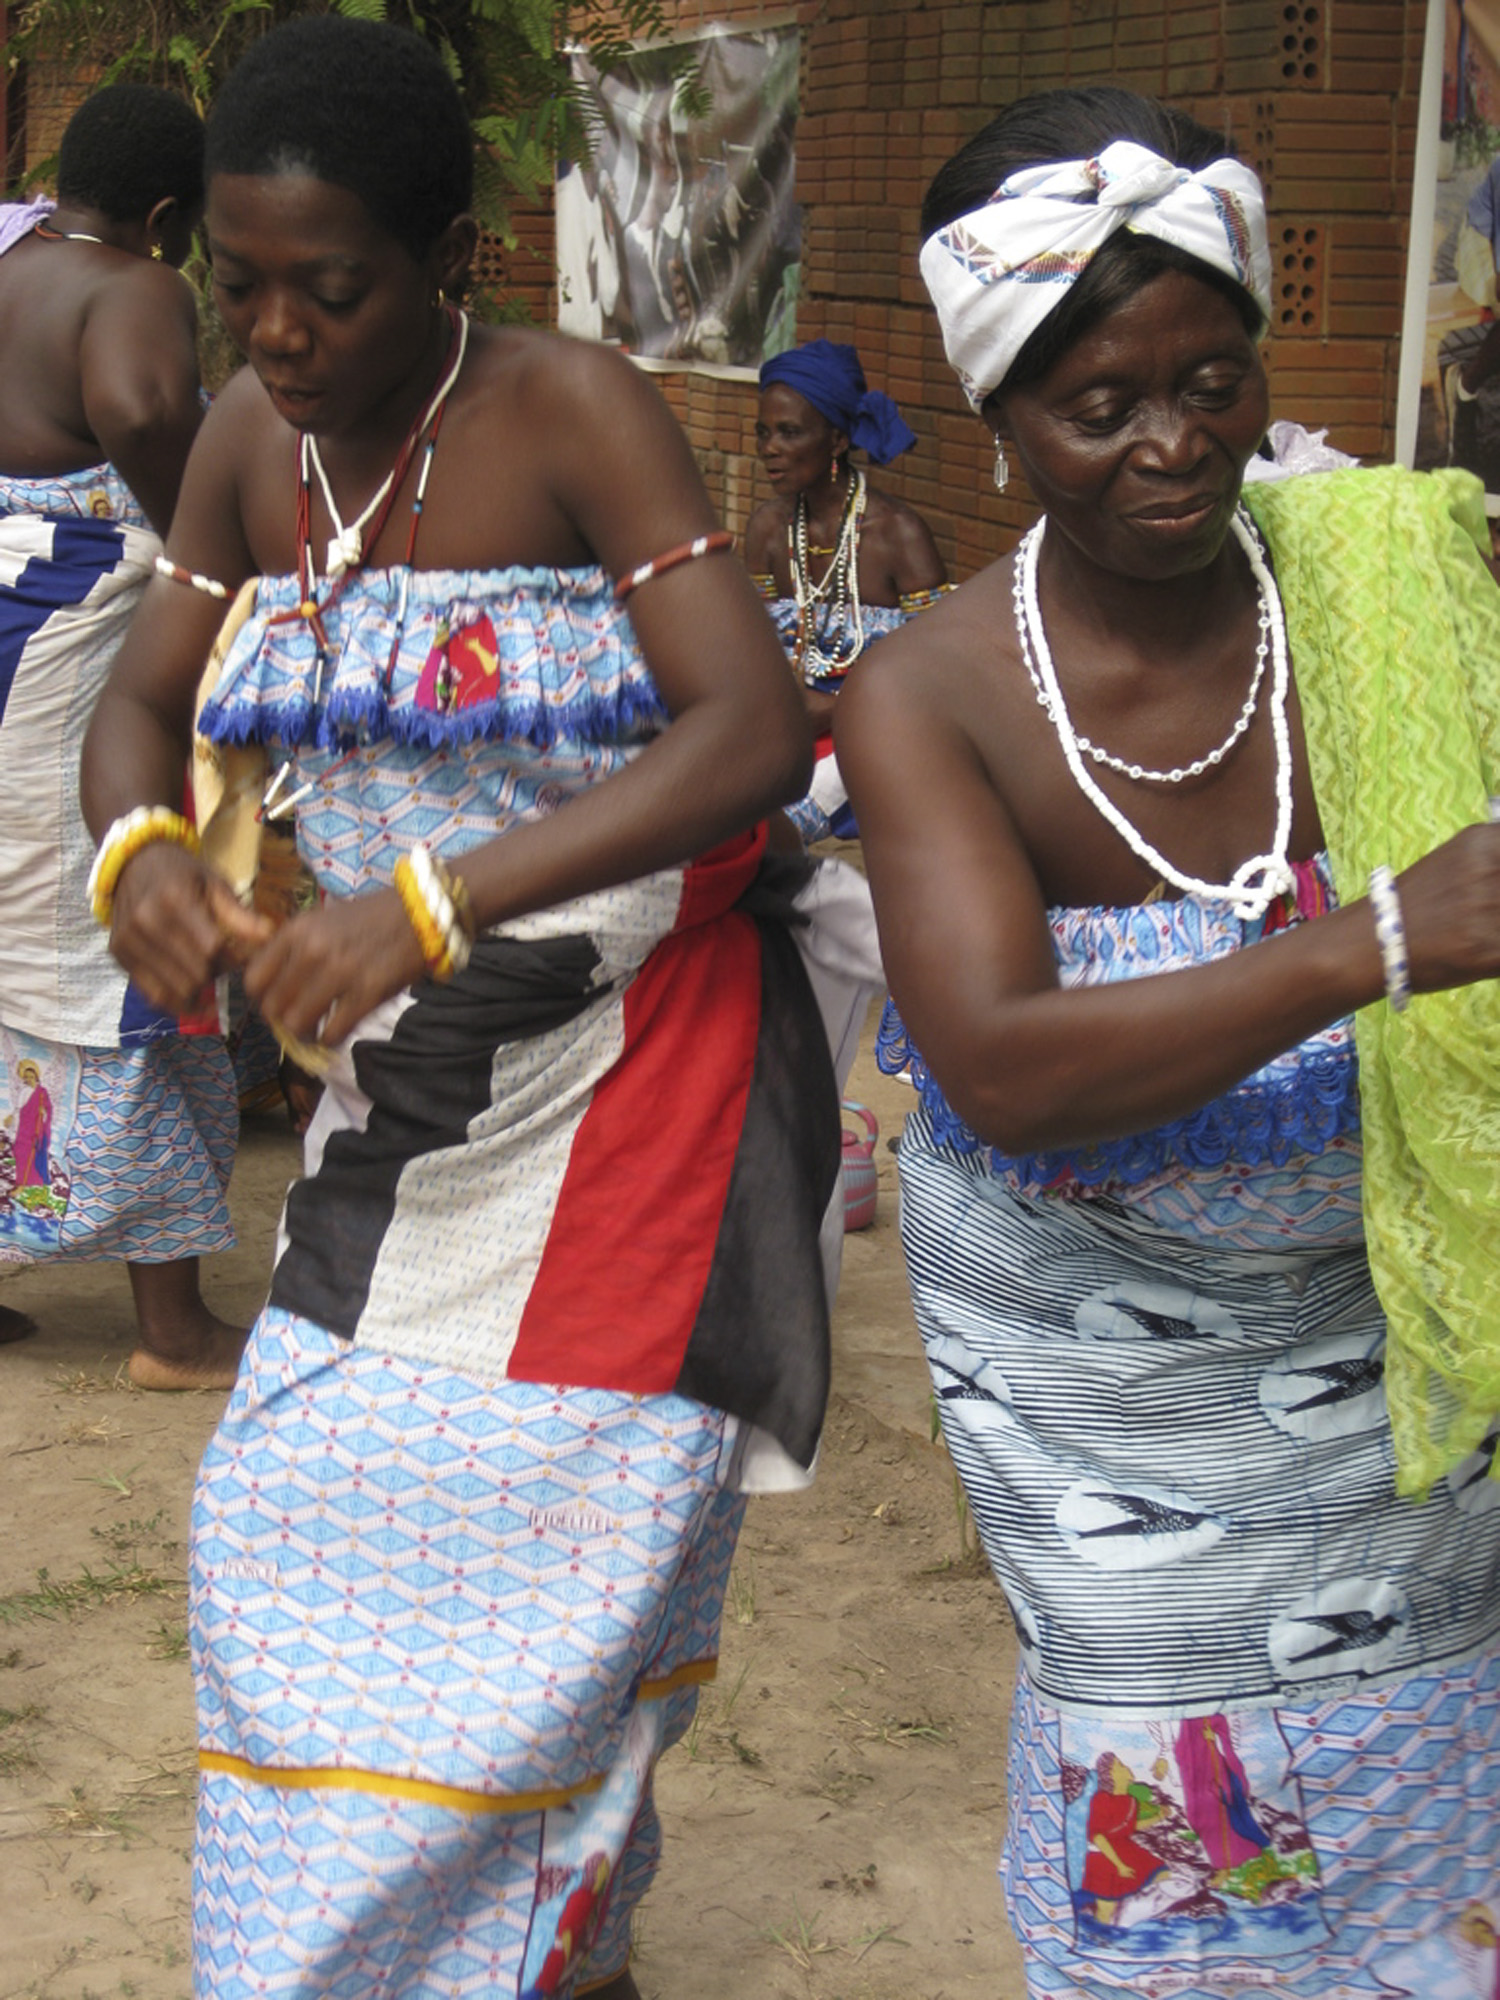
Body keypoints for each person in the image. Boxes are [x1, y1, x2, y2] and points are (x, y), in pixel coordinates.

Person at [81, 18, 850, 1996]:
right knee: (283, 1525)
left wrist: (436, 899)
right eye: (237, 286)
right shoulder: (256, 446)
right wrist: (142, 856)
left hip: (639, 1079)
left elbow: (753, 730)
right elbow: (140, 709)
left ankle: (543, 1939)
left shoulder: (571, 408)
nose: (276, 335)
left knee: (561, 1570)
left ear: (451, 257)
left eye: (328, 289)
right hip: (411, 1091)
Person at [837, 85, 1500, 1999]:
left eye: (1211, 383)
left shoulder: (1374, 586)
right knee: (1181, 1873)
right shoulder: (933, 690)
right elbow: (1004, 1063)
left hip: (1406, 1386)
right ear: (998, 416)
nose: (1171, 448)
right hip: (1105, 1408)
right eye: (1098, 408)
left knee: (1437, 1853)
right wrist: (1373, 942)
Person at [0, 83, 247, 1388]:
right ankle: (171, 1332)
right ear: (167, 215)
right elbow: (149, 415)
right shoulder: (133, 285)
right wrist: (213, 540)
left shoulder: (13, 255)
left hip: (5, 642)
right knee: (124, 944)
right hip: (58, 670)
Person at [745, 339, 947, 840]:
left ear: (836, 440)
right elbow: (750, 644)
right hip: (786, 721)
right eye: (763, 433)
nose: (770, 448)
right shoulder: (768, 530)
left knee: (773, 833)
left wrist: (837, 709)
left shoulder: (898, 534)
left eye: (789, 433)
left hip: (877, 729)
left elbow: (944, 676)